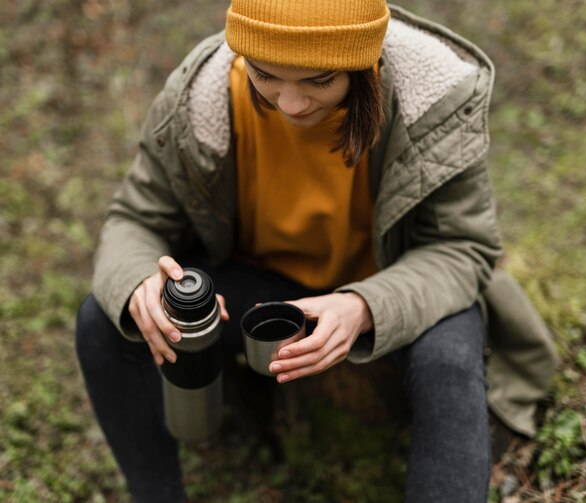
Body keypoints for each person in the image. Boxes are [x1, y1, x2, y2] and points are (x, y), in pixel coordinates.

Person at [75, 1, 559, 502]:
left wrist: (363, 306)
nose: (290, 104)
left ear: (363, 63)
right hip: (257, 286)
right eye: (264, 75)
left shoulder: (432, 100)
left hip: (390, 288)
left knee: (451, 360)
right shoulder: (201, 99)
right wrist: (137, 284)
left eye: (318, 81)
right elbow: (135, 219)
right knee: (101, 319)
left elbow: (462, 249)